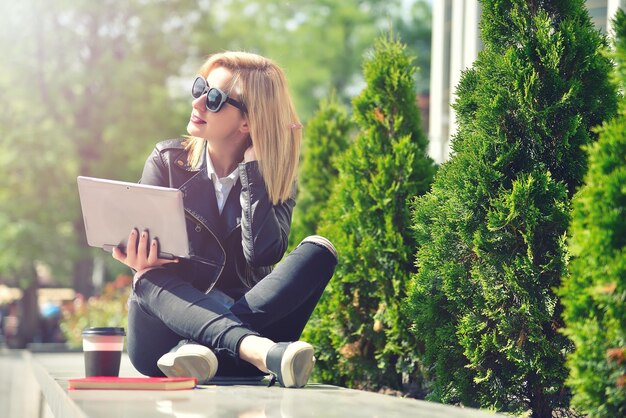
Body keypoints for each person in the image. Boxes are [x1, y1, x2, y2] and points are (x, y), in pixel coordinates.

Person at [111, 51, 337, 388]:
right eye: (200, 88)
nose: (199, 102)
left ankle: (200, 352)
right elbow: (144, 256)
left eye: (214, 99)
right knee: (147, 278)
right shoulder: (167, 161)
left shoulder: (275, 179)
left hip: (207, 355)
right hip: (163, 345)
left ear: (248, 122)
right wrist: (137, 259)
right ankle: (260, 351)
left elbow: (261, 254)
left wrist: (254, 173)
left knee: (319, 252)